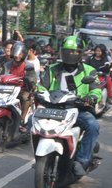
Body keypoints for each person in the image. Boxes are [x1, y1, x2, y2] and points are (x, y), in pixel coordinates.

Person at [37, 36, 101, 177]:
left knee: (92, 125)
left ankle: (81, 161)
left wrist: (91, 97)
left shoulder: (89, 71)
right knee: (31, 122)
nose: (70, 55)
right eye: (67, 52)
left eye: (74, 52)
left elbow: (96, 89)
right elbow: (41, 86)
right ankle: (39, 157)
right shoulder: (52, 69)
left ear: (80, 53)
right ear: (62, 52)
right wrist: (39, 93)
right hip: (53, 108)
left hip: (78, 110)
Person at [3, 42, 35, 129]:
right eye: (16, 53)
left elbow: (33, 80)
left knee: (26, 98)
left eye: (20, 53)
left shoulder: (29, 66)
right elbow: (1, 76)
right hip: (8, 89)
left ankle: (22, 119)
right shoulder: (7, 65)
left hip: (22, 89)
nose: (17, 56)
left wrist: (30, 82)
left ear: (24, 54)